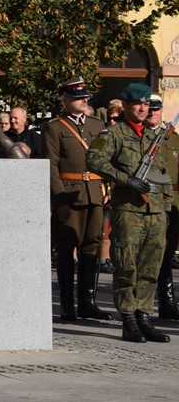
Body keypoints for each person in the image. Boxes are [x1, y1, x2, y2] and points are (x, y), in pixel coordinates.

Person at [86, 82, 172, 343]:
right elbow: (94, 159)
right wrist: (125, 180)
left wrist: (165, 208)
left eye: (146, 104)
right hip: (129, 211)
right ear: (125, 105)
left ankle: (145, 316)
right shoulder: (113, 134)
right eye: (138, 104)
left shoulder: (153, 136)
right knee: (127, 266)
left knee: (151, 267)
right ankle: (129, 320)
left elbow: (163, 176)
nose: (144, 108)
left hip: (154, 212)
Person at [44, 77, 110, 322]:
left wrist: (107, 186)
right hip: (70, 194)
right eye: (79, 97)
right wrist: (59, 199)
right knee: (66, 246)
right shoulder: (55, 128)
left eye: (86, 96)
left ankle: (87, 302)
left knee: (91, 247)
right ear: (66, 100)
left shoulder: (97, 124)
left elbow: (106, 158)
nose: (85, 100)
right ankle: (66, 305)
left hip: (95, 192)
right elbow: (51, 167)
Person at [147, 95, 179, 320]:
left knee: (168, 253)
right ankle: (148, 304)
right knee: (153, 253)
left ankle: (168, 304)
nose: (152, 113)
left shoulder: (173, 139)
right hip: (153, 200)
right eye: (149, 109)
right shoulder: (141, 137)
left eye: (156, 110)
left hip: (175, 200)